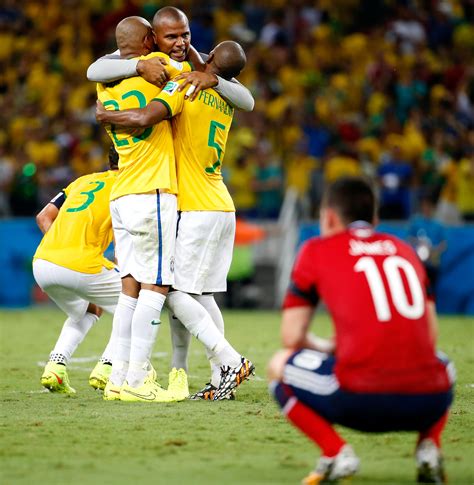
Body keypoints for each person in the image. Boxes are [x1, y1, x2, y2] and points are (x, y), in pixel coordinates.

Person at [267, 177, 454, 484]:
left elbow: (292, 336)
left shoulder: (316, 249)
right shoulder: (404, 249)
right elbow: (431, 336)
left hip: (360, 400)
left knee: (279, 366)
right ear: (375, 219)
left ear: (328, 216)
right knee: (445, 363)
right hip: (428, 400)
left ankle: (336, 452)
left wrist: (328, 347)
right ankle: (428, 448)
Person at [96, 40, 255, 401]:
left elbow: (145, 116)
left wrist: (108, 115)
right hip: (220, 204)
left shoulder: (188, 85)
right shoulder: (226, 95)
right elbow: (243, 94)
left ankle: (230, 361)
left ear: (210, 59)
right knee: (203, 296)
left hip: (197, 206)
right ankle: (221, 377)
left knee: (174, 291)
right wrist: (205, 60)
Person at [97, 16, 185, 403]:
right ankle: (136, 380)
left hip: (121, 192)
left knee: (129, 285)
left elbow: (96, 67)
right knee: (158, 283)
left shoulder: (105, 81)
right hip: (152, 191)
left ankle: (117, 377)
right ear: (150, 39)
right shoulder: (163, 73)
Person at [34, 146, 121, 395]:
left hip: (43, 262)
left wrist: (62, 248)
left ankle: (56, 367)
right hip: (81, 264)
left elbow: (43, 217)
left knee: (89, 308)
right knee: (138, 303)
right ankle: (109, 369)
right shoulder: (128, 187)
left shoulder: (82, 180)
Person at [87, 7, 254, 113]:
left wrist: (214, 80)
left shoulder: (201, 62)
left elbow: (248, 102)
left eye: (185, 35)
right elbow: (93, 71)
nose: (181, 43)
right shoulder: (141, 54)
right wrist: (140, 65)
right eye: (171, 37)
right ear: (154, 36)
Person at [408, 193, 447, 296]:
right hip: (419, 262)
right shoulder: (416, 222)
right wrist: (419, 244)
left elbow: (443, 244)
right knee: (419, 288)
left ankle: (431, 308)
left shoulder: (438, 225)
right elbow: (409, 239)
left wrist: (434, 251)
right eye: (425, 205)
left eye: (429, 206)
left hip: (433, 262)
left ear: (433, 207)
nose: (427, 208)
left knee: (432, 289)